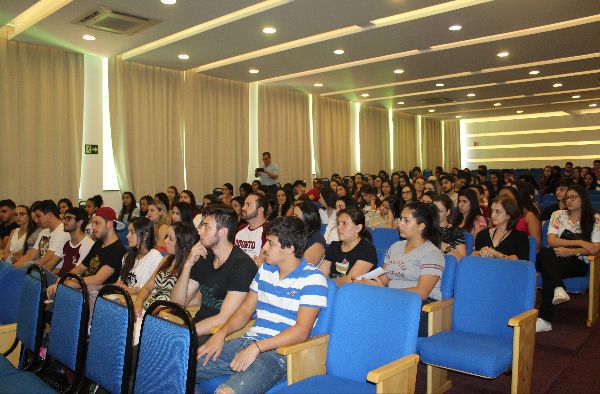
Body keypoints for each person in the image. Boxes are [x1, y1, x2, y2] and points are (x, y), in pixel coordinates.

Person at [195, 216, 328, 394]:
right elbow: (244, 310)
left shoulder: (313, 279)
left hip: (279, 352)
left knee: (226, 392)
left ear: (290, 248)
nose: (264, 248)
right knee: (182, 369)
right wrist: (221, 333)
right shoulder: (266, 270)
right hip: (248, 341)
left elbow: (302, 330)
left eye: (270, 244)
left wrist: (257, 348)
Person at [170, 206, 257, 345]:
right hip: (197, 327)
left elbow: (224, 319)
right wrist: (187, 266)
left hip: (217, 334)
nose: (199, 231)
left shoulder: (242, 266)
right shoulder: (204, 257)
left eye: (206, 227)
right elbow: (178, 303)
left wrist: (186, 332)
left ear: (222, 232)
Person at [357, 201, 444, 337]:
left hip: (420, 306)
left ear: (421, 226)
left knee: (370, 315)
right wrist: (367, 282)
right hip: (393, 300)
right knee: (357, 300)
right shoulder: (396, 247)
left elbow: (422, 292)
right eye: (400, 219)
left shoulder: (432, 253)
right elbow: (384, 277)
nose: (400, 224)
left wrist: (386, 293)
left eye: (406, 220)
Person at [536, 185, 600, 332]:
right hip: (553, 257)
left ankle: (545, 319)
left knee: (549, 272)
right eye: (567, 198)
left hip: (577, 262)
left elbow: (595, 248)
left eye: (573, 197)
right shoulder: (558, 215)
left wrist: (571, 252)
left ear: (583, 198)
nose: (569, 201)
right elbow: (552, 241)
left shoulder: (595, 219)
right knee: (545, 252)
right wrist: (580, 242)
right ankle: (558, 287)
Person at [47, 207, 127, 298]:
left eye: (97, 223)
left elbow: (98, 279)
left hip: (98, 295)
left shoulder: (118, 250)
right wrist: (64, 279)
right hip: (84, 289)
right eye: (92, 223)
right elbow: (81, 268)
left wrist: (69, 283)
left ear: (109, 224)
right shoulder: (98, 244)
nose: (93, 227)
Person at [132, 222, 199, 327]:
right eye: (166, 236)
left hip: (163, 316)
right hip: (149, 308)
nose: (165, 241)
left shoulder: (190, 267)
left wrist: (157, 311)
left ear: (182, 244)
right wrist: (138, 302)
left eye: (170, 239)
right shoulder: (166, 259)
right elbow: (147, 288)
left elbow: (191, 301)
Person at [320, 208, 377, 285]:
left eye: (344, 223)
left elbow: (350, 280)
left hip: (351, 293)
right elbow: (321, 274)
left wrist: (326, 282)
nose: (339, 227)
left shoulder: (367, 249)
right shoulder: (334, 246)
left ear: (358, 228)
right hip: (331, 288)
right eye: (338, 223)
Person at [13, 200, 70, 271]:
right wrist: (12, 268)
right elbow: (30, 255)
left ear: (49, 214)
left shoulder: (63, 231)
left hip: (55, 272)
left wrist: (25, 270)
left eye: (38, 216)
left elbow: (47, 259)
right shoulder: (44, 231)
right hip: (41, 269)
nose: (36, 220)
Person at [115, 217, 163, 295]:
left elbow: (158, 288)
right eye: (128, 232)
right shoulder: (127, 256)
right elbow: (121, 282)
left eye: (132, 232)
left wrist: (135, 290)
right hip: (124, 300)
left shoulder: (154, 256)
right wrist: (118, 285)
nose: (127, 236)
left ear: (145, 235)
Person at [57, 207, 94, 277]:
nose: (64, 222)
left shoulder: (88, 244)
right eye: (64, 218)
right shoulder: (66, 243)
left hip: (70, 284)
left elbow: (76, 273)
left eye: (69, 218)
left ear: (80, 222)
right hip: (61, 280)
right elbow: (62, 269)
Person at [235, 193, 268, 264]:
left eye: (248, 205)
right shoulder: (240, 228)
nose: (243, 208)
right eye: (244, 204)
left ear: (260, 210)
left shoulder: (269, 230)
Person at [433, 194, 466, 260]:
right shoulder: (424, 227)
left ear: (447, 212)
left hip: (445, 266)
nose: (435, 214)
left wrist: (447, 249)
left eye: (440, 211)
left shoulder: (454, 231)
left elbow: (463, 259)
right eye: (434, 210)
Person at [293, 202, 326, 266]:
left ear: (308, 218)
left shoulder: (317, 242)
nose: (292, 218)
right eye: (293, 215)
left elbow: (303, 268)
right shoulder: (297, 235)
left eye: (296, 216)